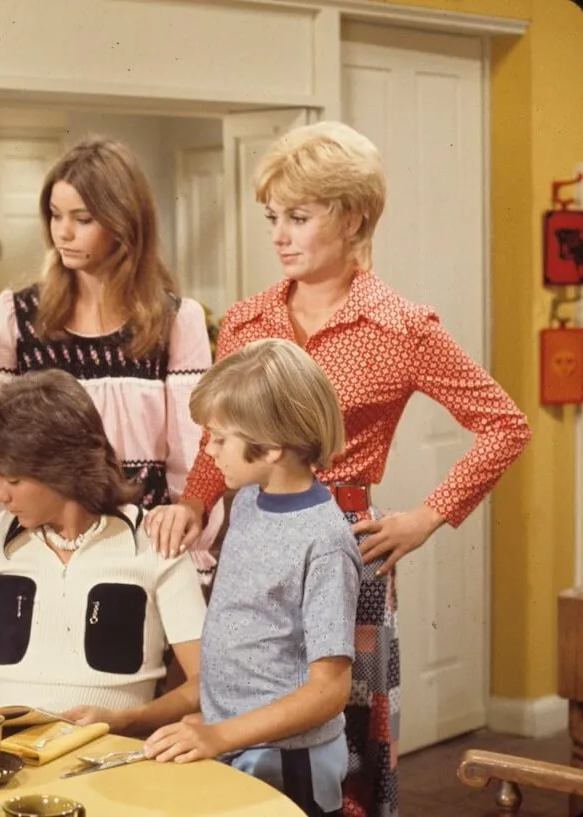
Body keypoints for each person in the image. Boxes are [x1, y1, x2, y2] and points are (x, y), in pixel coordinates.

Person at [154, 121, 532, 817]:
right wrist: (192, 501)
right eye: (273, 217)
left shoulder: (402, 326)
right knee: (243, 714)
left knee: (346, 742)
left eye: (299, 216)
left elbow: (505, 425)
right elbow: (220, 436)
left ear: (353, 215)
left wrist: (423, 518)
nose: (280, 234)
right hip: (255, 539)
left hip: (346, 546)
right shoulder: (245, 319)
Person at [0, 137, 216, 577]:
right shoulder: (18, 319)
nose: (63, 233)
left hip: (145, 553)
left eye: (82, 218)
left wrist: (185, 541)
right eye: (55, 216)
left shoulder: (176, 322)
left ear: (124, 223)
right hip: (41, 555)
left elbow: (192, 459)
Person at [0, 369, 206, 722]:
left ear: (65, 469)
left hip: (113, 759)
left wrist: (127, 721)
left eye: (13, 479)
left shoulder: (153, 540)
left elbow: (204, 683)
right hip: (8, 757)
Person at [142, 338, 361, 817]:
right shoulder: (245, 503)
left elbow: (329, 690)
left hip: (289, 760)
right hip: (236, 743)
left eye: (220, 439)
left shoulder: (324, 542)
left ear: (272, 447)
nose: (211, 452)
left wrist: (221, 733)